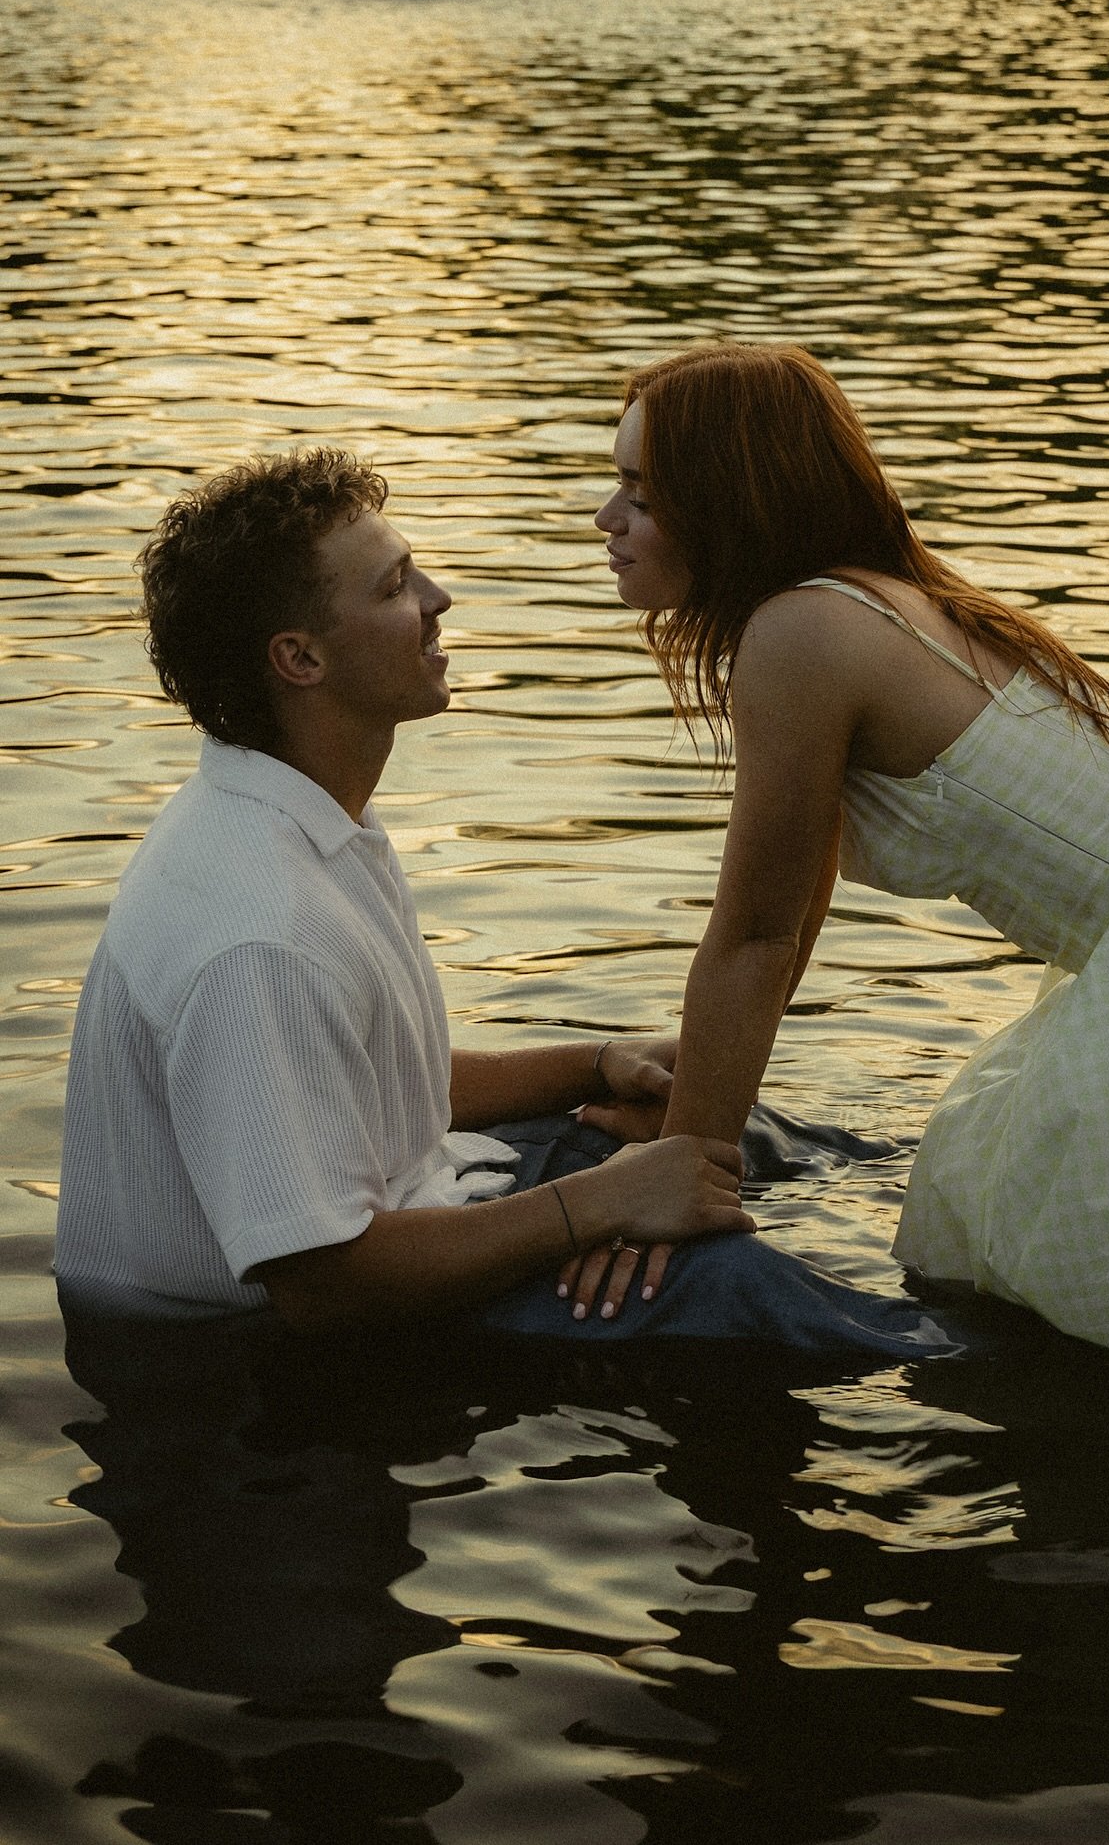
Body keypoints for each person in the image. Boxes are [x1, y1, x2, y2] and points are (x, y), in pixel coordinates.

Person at [595, 340, 1109, 1379]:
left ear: (732, 500)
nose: (606, 517)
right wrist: (699, 1110)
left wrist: (678, 1177)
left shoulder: (799, 631)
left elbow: (757, 935)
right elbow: (788, 915)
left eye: (642, 492)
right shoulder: (867, 600)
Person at [55, 449, 754, 1332]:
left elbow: (373, 1086)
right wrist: (606, 1202)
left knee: (721, 1130)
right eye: (394, 587)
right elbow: (324, 1285)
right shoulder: (258, 935)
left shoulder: (300, 810)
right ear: (300, 657)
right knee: (741, 1287)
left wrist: (598, 1061)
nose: (438, 598)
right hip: (248, 1352)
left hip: (419, 1203)